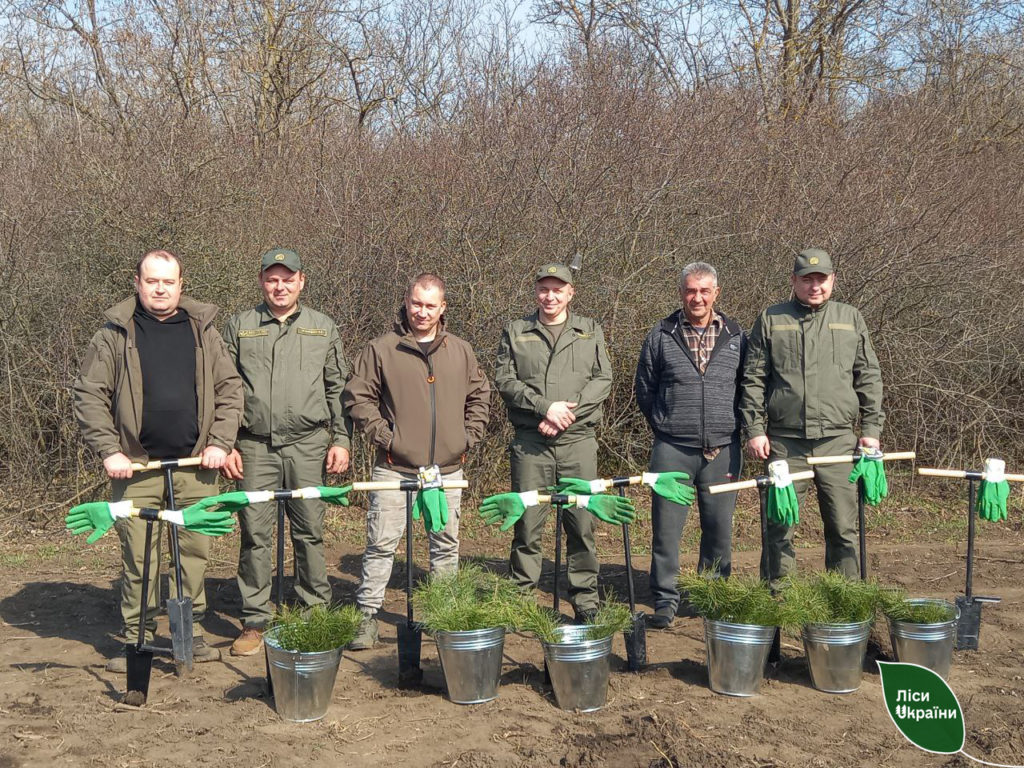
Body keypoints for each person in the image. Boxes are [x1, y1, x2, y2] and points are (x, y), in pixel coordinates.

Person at [73, 249, 243, 672]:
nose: (161, 289)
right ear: (137, 283)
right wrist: (110, 450)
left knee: (194, 554)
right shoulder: (113, 334)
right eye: (152, 281)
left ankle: (191, 635)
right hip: (137, 470)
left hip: (195, 469)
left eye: (168, 281)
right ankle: (139, 640)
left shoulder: (204, 331)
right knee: (140, 557)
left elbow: (230, 389)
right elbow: (89, 396)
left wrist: (220, 441)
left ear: (181, 284)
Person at [343, 273, 490, 649]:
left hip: (447, 470)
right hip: (394, 468)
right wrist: (387, 438)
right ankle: (366, 615)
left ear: (443, 307)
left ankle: (443, 613)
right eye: (416, 304)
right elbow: (358, 398)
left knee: (445, 544)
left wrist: (467, 438)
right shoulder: (381, 349)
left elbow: (480, 396)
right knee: (381, 543)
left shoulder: (461, 351)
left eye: (430, 305)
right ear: (406, 302)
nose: (422, 312)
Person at [220, 248, 353, 657]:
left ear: (301, 281)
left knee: (310, 531)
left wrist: (342, 440)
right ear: (261, 281)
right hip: (254, 446)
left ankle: (314, 612)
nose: (280, 286)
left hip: (309, 445)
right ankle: (254, 620)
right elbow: (222, 390)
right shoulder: (239, 326)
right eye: (272, 279)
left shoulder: (322, 327)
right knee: (255, 534)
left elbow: (339, 389)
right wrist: (223, 444)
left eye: (288, 279)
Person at [739, 248, 884, 584]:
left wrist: (871, 428)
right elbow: (753, 379)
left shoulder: (850, 318)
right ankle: (779, 604)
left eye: (821, 279)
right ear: (794, 281)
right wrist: (755, 429)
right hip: (786, 445)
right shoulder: (772, 319)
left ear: (833, 280)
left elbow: (869, 376)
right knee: (779, 528)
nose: (815, 286)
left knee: (843, 528)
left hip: (839, 442)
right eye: (807, 279)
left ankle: (844, 604)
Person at [495, 264, 613, 622]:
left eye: (557, 290)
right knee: (527, 524)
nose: (550, 296)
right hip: (532, 443)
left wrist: (566, 416)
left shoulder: (589, 329)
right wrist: (545, 408)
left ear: (570, 293)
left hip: (578, 443)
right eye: (544, 289)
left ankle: (586, 600)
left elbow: (603, 379)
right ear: (536, 292)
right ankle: (520, 600)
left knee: (582, 524)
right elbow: (505, 379)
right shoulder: (516, 331)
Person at [634, 262, 746, 629]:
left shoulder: (736, 336)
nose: (696, 298)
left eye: (704, 291)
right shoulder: (661, 334)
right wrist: (666, 425)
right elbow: (645, 388)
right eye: (689, 291)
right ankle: (666, 600)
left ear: (716, 293)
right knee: (666, 531)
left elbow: (749, 389)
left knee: (719, 529)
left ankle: (709, 596)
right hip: (672, 449)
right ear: (681, 293)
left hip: (723, 449)